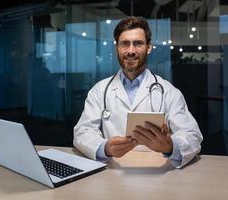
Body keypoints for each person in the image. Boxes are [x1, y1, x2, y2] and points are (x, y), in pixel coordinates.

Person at [73, 16, 203, 168]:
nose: (131, 51)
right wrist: (105, 148)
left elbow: (192, 136)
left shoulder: (169, 92)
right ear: (116, 47)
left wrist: (170, 146)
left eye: (138, 43)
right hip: (113, 172)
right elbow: (82, 132)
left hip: (156, 173)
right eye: (124, 44)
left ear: (149, 47)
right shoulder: (99, 91)